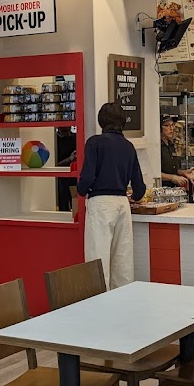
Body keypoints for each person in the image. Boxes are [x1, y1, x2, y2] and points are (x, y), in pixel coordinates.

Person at [77, 102, 146, 289]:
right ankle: (122, 300)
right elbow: (139, 188)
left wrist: (81, 190)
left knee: (97, 259)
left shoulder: (94, 143)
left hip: (100, 203)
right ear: (123, 121)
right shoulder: (128, 146)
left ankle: (99, 302)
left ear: (101, 121)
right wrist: (134, 196)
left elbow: (87, 177)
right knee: (123, 261)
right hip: (122, 204)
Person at [159, 114, 194, 188]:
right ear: (159, 128)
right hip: (161, 188)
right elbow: (154, 173)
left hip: (173, 188)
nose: (171, 128)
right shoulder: (157, 147)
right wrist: (172, 178)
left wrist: (184, 173)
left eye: (172, 125)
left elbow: (170, 169)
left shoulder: (170, 145)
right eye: (167, 125)